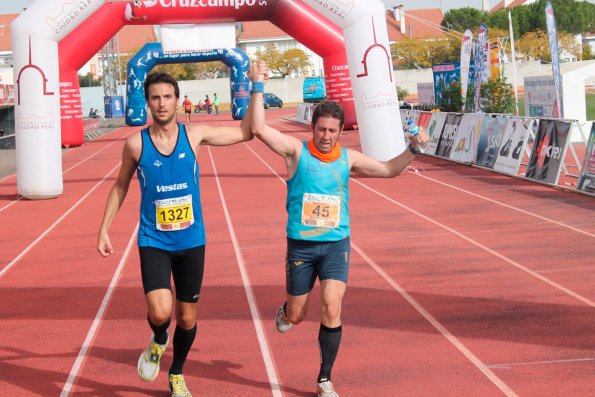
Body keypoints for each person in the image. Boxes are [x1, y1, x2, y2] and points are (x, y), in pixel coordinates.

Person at [249, 66, 428, 397]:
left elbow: (389, 169)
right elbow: (258, 128)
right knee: (298, 314)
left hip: (335, 246)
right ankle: (287, 311)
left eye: (332, 130)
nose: (326, 136)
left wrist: (413, 149)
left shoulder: (349, 158)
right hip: (301, 247)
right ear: (312, 127)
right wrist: (257, 84)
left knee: (332, 304)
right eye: (321, 129)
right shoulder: (295, 151)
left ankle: (324, 379)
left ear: (340, 132)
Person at [97, 67, 263, 397]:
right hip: (154, 239)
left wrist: (256, 86)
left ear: (177, 101)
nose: (162, 103)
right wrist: (104, 229)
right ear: (147, 103)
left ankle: (176, 372)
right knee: (160, 311)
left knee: (187, 318)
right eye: (155, 97)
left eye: (167, 97)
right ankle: (159, 339)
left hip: (191, 240)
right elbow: (119, 186)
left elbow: (247, 132)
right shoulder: (135, 144)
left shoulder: (195, 134)